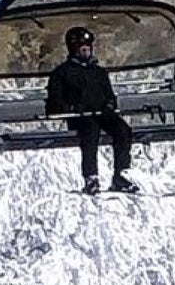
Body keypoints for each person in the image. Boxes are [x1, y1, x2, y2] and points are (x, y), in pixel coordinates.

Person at [48, 26, 137, 195]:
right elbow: (55, 102)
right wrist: (72, 108)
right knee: (90, 131)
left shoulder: (99, 72)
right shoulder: (62, 73)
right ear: (73, 48)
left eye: (87, 46)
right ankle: (91, 177)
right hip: (79, 116)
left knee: (123, 130)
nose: (85, 50)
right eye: (81, 47)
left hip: (101, 113)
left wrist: (109, 105)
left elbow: (110, 96)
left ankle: (121, 175)